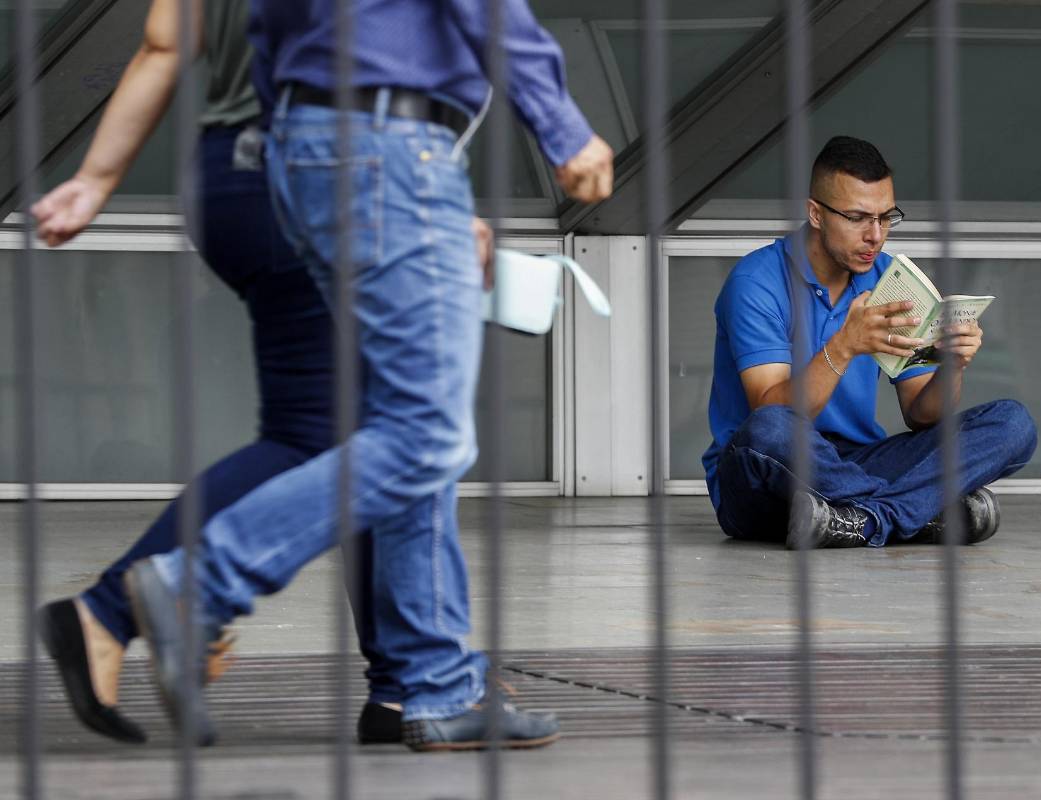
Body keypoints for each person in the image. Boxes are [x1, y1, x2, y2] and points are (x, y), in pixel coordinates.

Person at [122, 0, 614, 751]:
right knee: (427, 437)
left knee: (406, 423)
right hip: (388, 142)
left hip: (314, 143)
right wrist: (562, 124)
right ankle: (199, 580)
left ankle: (435, 685)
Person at [29, 0, 486, 746]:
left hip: (227, 179)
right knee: (369, 435)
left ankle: (406, 686)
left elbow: (162, 45)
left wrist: (97, 176)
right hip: (333, 172)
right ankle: (118, 609)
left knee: (353, 432)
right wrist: (424, 198)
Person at [702, 136, 1037, 551]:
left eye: (885, 217)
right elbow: (773, 414)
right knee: (770, 428)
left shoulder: (889, 279)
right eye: (858, 218)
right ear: (816, 214)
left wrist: (952, 364)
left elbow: (922, 415)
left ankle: (860, 520)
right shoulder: (756, 283)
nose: (875, 235)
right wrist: (845, 346)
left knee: (1012, 423)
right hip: (761, 476)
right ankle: (918, 510)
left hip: (855, 460)